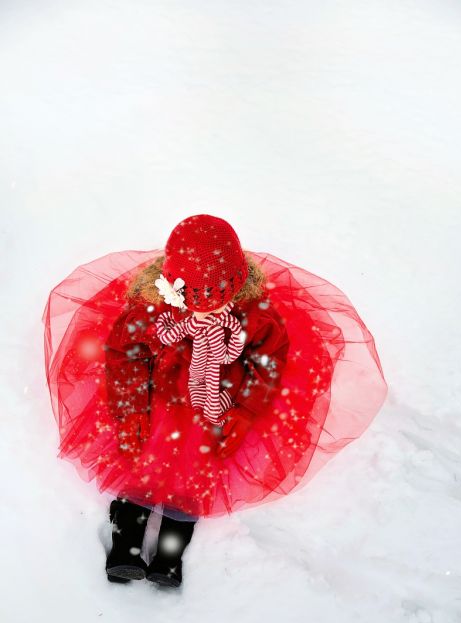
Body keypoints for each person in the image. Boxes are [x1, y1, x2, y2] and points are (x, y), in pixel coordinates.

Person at [42, 214, 388, 588]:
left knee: (195, 469)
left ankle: (170, 550)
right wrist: (130, 410)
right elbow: (127, 357)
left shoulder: (254, 315)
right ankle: (126, 537)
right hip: (160, 395)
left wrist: (245, 411)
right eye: (194, 302)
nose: (204, 312)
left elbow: (265, 364)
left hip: (216, 400)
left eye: (216, 302)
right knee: (142, 459)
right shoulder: (151, 308)